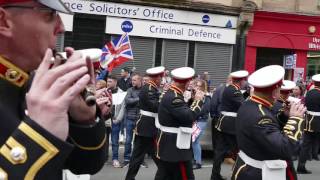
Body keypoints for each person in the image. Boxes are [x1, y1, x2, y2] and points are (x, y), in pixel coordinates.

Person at [0, 0, 106, 179]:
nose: (62, 27)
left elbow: (86, 165)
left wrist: (84, 119)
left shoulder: (38, 83)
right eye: (49, 14)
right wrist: (37, 134)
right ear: (3, 22)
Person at [231, 65, 306, 180]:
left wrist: (284, 116)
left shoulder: (250, 103)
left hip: (248, 167)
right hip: (259, 173)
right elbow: (286, 149)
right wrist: (295, 119)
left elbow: (269, 130)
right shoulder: (261, 116)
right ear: (275, 92)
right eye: (279, 89)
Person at [154, 67, 205, 180]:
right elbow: (189, 116)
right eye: (189, 82)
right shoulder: (174, 98)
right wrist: (198, 101)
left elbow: (181, 112)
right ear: (186, 83)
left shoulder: (174, 93)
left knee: (164, 174)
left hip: (170, 143)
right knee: (185, 175)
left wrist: (192, 100)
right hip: (175, 146)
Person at [125, 66, 165, 180]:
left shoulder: (151, 88)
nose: (161, 80)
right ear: (156, 78)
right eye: (160, 78)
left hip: (147, 127)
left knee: (139, 156)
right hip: (147, 127)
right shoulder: (149, 89)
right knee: (155, 155)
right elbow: (155, 107)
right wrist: (164, 99)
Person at [211, 70, 248, 180]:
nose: (245, 82)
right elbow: (244, 105)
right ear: (241, 81)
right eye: (244, 80)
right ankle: (238, 175)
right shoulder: (234, 90)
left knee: (220, 151)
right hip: (230, 125)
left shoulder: (230, 88)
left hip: (224, 124)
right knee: (238, 151)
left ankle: (215, 176)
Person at [297, 74, 320, 174]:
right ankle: (313, 155)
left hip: (308, 120)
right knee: (310, 142)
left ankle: (301, 165)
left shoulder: (309, 92)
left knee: (306, 143)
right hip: (318, 121)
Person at [123, 73, 143, 167]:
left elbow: (145, 103)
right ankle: (127, 158)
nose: (132, 82)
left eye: (134, 80)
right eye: (132, 80)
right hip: (130, 118)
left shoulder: (144, 90)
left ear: (140, 80)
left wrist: (134, 100)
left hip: (140, 119)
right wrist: (139, 99)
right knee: (128, 140)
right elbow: (127, 101)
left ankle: (138, 159)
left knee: (139, 141)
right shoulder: (130, 90)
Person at [191, 79, 211, 170]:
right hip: (195, 120)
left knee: (195, 141)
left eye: (200, 86)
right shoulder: (194, 95)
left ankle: (198, 162)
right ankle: (195, 160)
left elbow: (205, 110)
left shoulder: (206, 96)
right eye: (197, 85)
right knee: (194, 141)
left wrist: (193, 115)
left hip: (201, 121)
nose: (198, 87)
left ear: (203, 87)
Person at [107, 75, 126, 168]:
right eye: (108, 81)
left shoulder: (121, 93)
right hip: (105, 119)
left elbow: (123, 108)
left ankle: (115, 159)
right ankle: (103, 157)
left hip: (115, 119)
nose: (108, 83)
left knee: (115, 141)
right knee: (104, 140)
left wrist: (118, 119)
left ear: (115, 82)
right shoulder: (105, 91)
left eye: (110, 81)